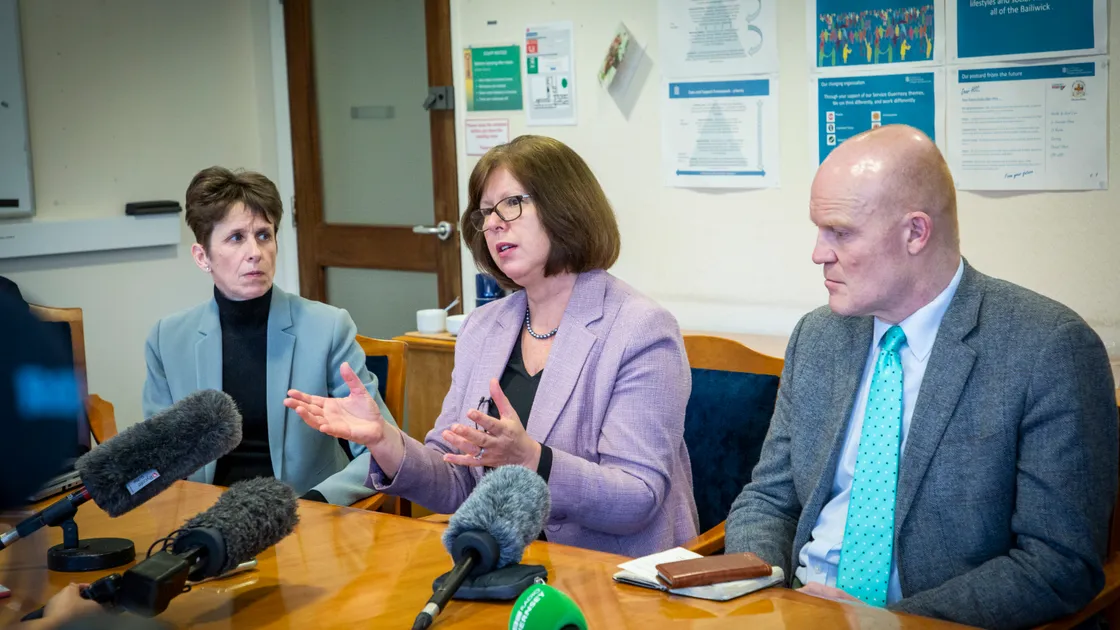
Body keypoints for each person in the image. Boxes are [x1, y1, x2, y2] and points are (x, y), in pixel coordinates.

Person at [725, 125, 1117, 628]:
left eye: (840, 232)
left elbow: (1059, 563)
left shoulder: (1047, 348)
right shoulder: (819, 336)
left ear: (915, 232)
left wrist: (886, 623)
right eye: (819, 230)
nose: (819, 253)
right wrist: (772, 596)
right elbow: (769, 499)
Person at [286, 135, 699, 556]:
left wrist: (532, 459)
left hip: (611, 580)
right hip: (501, 565)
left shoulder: (640, 329)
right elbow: (456, 479)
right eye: (486, 213)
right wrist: (383, 440)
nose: (494, 224)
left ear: (566, 207)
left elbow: (637, 498)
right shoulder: (484, 327)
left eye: (511, 205)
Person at [143, 167, 396, 505]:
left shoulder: (327, 328)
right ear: (202, 257)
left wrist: (317, 503)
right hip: (204, 520)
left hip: (304, 519)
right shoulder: (167, 339)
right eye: (236, 238)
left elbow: (381, 448)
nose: (255, 252)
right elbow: (156, 459)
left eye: (264, 235)